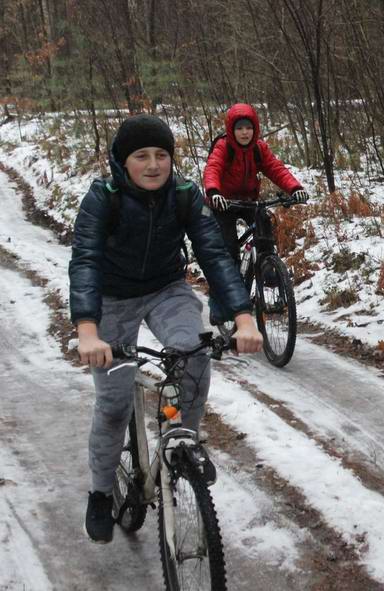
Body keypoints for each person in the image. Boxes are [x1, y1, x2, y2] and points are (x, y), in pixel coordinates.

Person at [69, 113, 265, 544]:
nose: (154, 164)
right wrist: (88, 329)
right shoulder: (104, 198)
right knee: (114, 404)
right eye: (142, 156)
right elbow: (84, 261)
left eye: (162, 155)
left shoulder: (184, 195)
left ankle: (185, 442)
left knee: (192, 355)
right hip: (112, 299)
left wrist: (243, 316)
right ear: (124, 162)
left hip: (166, 289)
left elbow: (214, 253)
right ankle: (101, 492)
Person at [203, 103, 308, 325]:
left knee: (264, 225)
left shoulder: (259, 148)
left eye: (248, 128)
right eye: (239, 128)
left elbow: (276, 169)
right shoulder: (223, 147)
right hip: (223, 203)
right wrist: (213, 192)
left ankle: (268, 269)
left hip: (249, 201)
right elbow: (213, 168)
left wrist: (295, 188)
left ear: (255, 129)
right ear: (232, 130)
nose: (244, 133)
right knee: (228, 251)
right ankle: (221, 304)